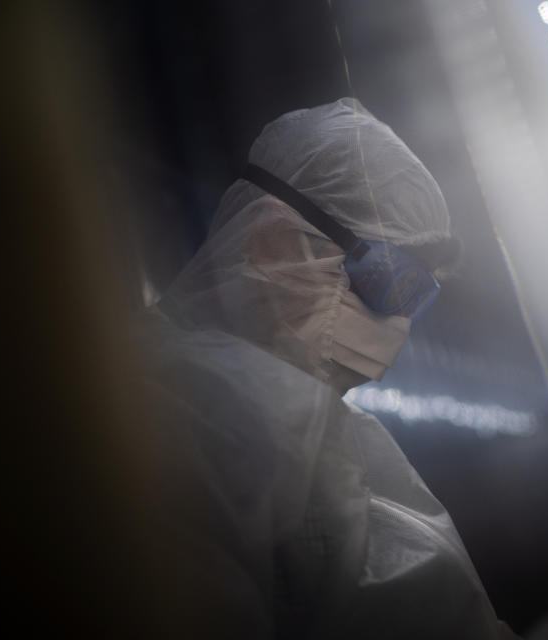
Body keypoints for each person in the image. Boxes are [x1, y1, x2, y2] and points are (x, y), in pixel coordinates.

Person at [137, 98, 516, 639]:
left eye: (416, 297)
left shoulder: (298, 425)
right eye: (390, 281)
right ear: (274, 243)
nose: (398, 325)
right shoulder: (217, 409)